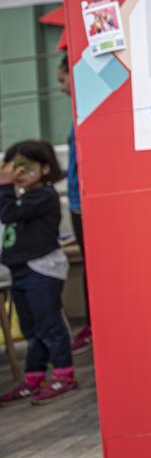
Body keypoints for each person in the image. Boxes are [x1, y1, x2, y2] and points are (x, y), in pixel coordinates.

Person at [0, 140, 77, 405]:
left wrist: (5, 185)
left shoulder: (44, 196)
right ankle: (34, 377)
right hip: (22, 271)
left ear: (44, 169)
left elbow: (7, 213)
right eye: (12, 167)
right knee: (32, 330)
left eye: (24, 166)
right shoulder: (24, 197)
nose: (17, 173)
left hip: (42, 270)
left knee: (49, 326)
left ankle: (63, 374)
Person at [57, 55, 91, 352]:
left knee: (93, 270)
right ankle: (92, 325)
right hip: (77, 200)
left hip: (84, 202)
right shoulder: (77, 112)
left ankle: (93, 325)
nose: (61, 87)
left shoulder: (89, 108)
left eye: (62, 79)